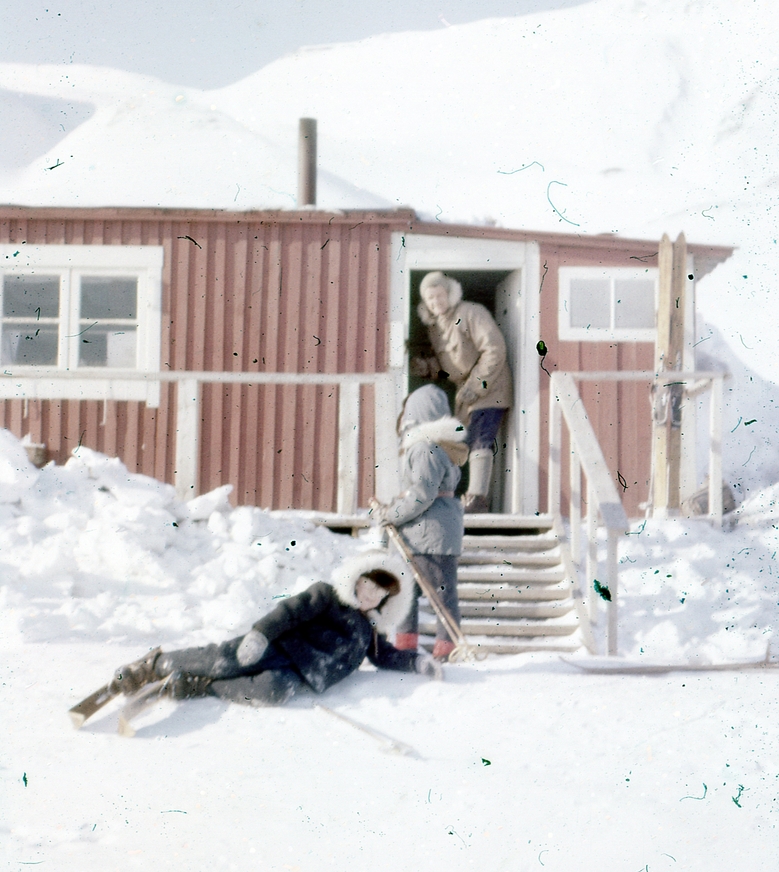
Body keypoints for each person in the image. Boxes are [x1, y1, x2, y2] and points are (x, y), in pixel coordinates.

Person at [111, 551, 442, 705]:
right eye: (367, 584)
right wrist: (260, 634)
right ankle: (151, 666)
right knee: (226, 660)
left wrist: (415, 661)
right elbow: (289, 612)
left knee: (272, 691)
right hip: (278, 647)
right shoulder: (327, 595)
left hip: (300, 676)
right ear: (357, 579)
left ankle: (198, 687)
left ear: (385, 601)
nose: (369, 594)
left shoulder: (368, 631)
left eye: (379, 594)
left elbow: (384, 656)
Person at [370, 384, 468, 661]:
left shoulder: (424, 448)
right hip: (439, 531)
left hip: (424, 533)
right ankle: (446, 647)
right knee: (442, 593)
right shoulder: (446, 448)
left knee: (407, 592)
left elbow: (421, 495)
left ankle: (406, 646)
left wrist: (391, 514)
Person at [411, 271, 512, 514]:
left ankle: (477, 500)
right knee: (460, 443)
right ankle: (454, 497)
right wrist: (428, 368)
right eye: (430, 298)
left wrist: (476, 385)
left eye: (440, 295)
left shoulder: (471, 313)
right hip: (465, 393)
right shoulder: (436, 326)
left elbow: (494, 350)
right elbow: (452, 368)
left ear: (450, 293)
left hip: (489, 385)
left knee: (480, 437)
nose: (436, 302)